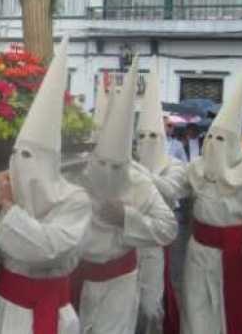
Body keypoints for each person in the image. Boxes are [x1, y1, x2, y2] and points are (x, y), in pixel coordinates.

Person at [0, 35, 92, 334]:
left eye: (29, 156)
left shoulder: (75, 199)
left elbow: (46, 250)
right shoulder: (12, 190)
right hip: (3, 305)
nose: (21, 163)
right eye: (16, 155)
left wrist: (8, 205)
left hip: (48, 311)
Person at [72, 57, 178, 334]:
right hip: (79, 279)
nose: (108, 172)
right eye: (102, 164)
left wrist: (126, 217)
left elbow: (168, 228)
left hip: (121, 281)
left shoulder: (140, 182)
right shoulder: (77, 178)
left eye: (116, 167)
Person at [181, 57, 242, 334]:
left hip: (235, 255)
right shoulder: (196, 169)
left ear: (234, 143)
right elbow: (172, 188)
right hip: (197, 252)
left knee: (229, 314)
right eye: (210, 137)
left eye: (221, 139)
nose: (213, 144)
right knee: (196, 311)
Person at [134, 58, 187, 334]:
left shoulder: (174, 165)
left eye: (153, 135)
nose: (146, 141)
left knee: (150, 304)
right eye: (141, 135)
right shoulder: (131, 162)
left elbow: (171, 190)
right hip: (129, 240)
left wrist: (141, 174)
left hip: (156, 238)